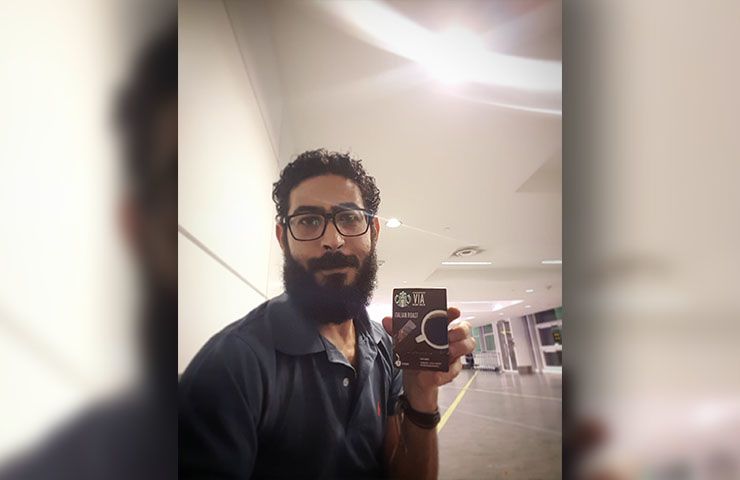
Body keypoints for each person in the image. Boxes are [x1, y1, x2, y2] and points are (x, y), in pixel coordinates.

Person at [178, 150, 476, 479]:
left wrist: (421, 396)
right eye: (308, 220)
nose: (333, 241)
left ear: (374, 231)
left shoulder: (387, 346)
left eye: (349, 218)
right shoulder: (231, 364)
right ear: (283, 238)